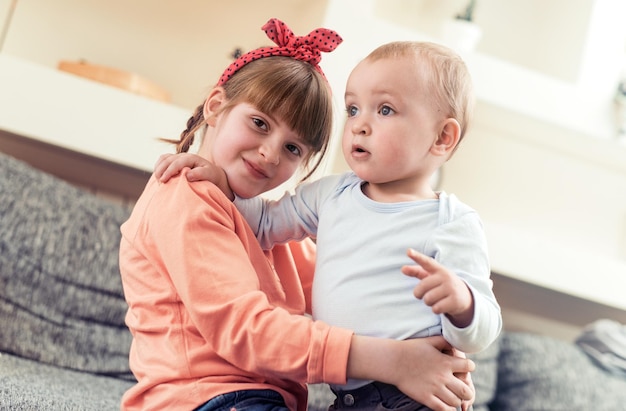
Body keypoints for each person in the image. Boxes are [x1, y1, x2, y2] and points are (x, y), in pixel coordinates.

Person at [120, 19, 475, 411]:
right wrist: (395, 362)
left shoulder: (265, 222)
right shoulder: (185, 196)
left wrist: (430, 356)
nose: (270, 153)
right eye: (259, 124)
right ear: (217, 106)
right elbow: (246, 331)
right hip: (204, 399)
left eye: (293, 149)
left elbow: (349, 285)